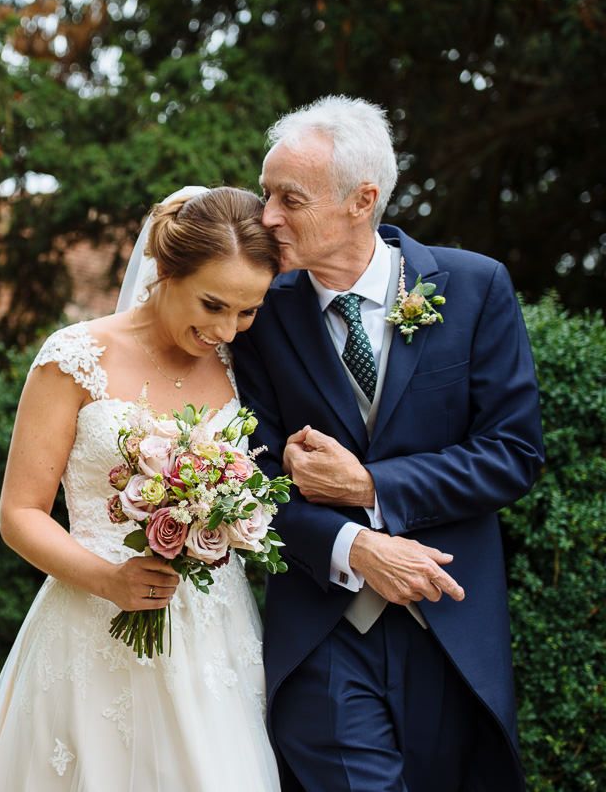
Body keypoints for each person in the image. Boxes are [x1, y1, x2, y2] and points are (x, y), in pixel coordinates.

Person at [231, 95, 544, 791]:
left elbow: (513, 452)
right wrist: (356, 547)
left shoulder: (475, 288)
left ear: (362, 200)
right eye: (266, 194)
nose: (268, 216)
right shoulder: (256, 313)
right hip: (324, 631)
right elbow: (248, 479)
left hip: (450, 629)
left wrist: (373, 487)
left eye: (289, 198)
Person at [0, 186, 283, 791]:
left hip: (214, 637)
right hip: (92, 623)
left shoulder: (243, 364)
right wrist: (109, 580)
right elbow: (20, 513)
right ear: (165, 270)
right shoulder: (75, 357)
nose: (226, 330)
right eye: (212, 305)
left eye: (247, 312)